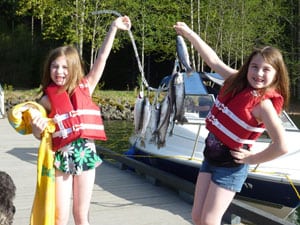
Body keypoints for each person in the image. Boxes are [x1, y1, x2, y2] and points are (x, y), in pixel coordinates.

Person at [174, 22, 290, 225]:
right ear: (248, 68)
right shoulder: (237, 82)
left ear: (276, 75)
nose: (259, 73)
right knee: (197, 217)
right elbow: (213, 60)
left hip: (231, 167)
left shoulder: (264, 106)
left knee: (210, 220)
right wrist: (189, 34)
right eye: (254, 67)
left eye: (266, 69)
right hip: (210, 158)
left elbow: (282, 146)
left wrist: (253, 159)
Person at [31, 16, 131, 225]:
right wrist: (36, 126)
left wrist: (113, 28)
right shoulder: (47, 99)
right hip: (61, 159)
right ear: (49, 69)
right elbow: (38, 129)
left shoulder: (87, 86)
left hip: (86, 155)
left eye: (65, 67)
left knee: (81, 214)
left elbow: (102, 57)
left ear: (74, 68)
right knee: (60, 217)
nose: (59, 72)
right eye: (55, 67)